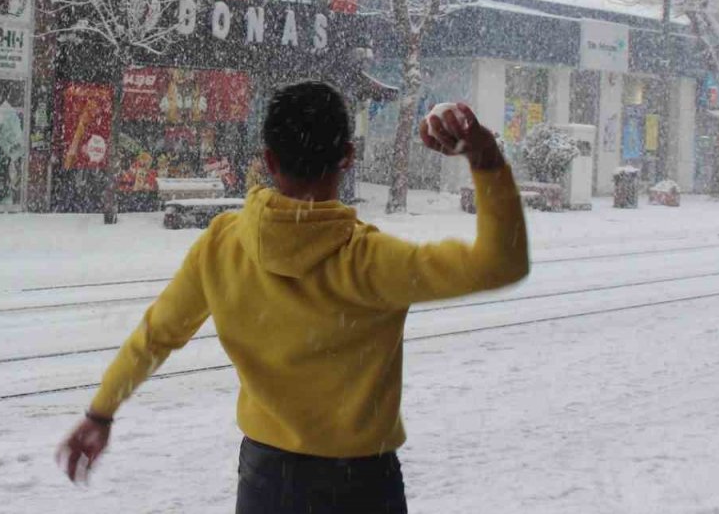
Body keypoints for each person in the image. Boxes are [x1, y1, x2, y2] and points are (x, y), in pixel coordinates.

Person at [58, 81, 530, 512]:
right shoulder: (371, 261)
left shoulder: (224, 243)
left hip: (266, 481)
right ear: (347, 155)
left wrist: (100, 413)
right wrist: (485, 157)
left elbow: (155, 336)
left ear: (268, 160)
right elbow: (501, 263)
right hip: (360, 485)